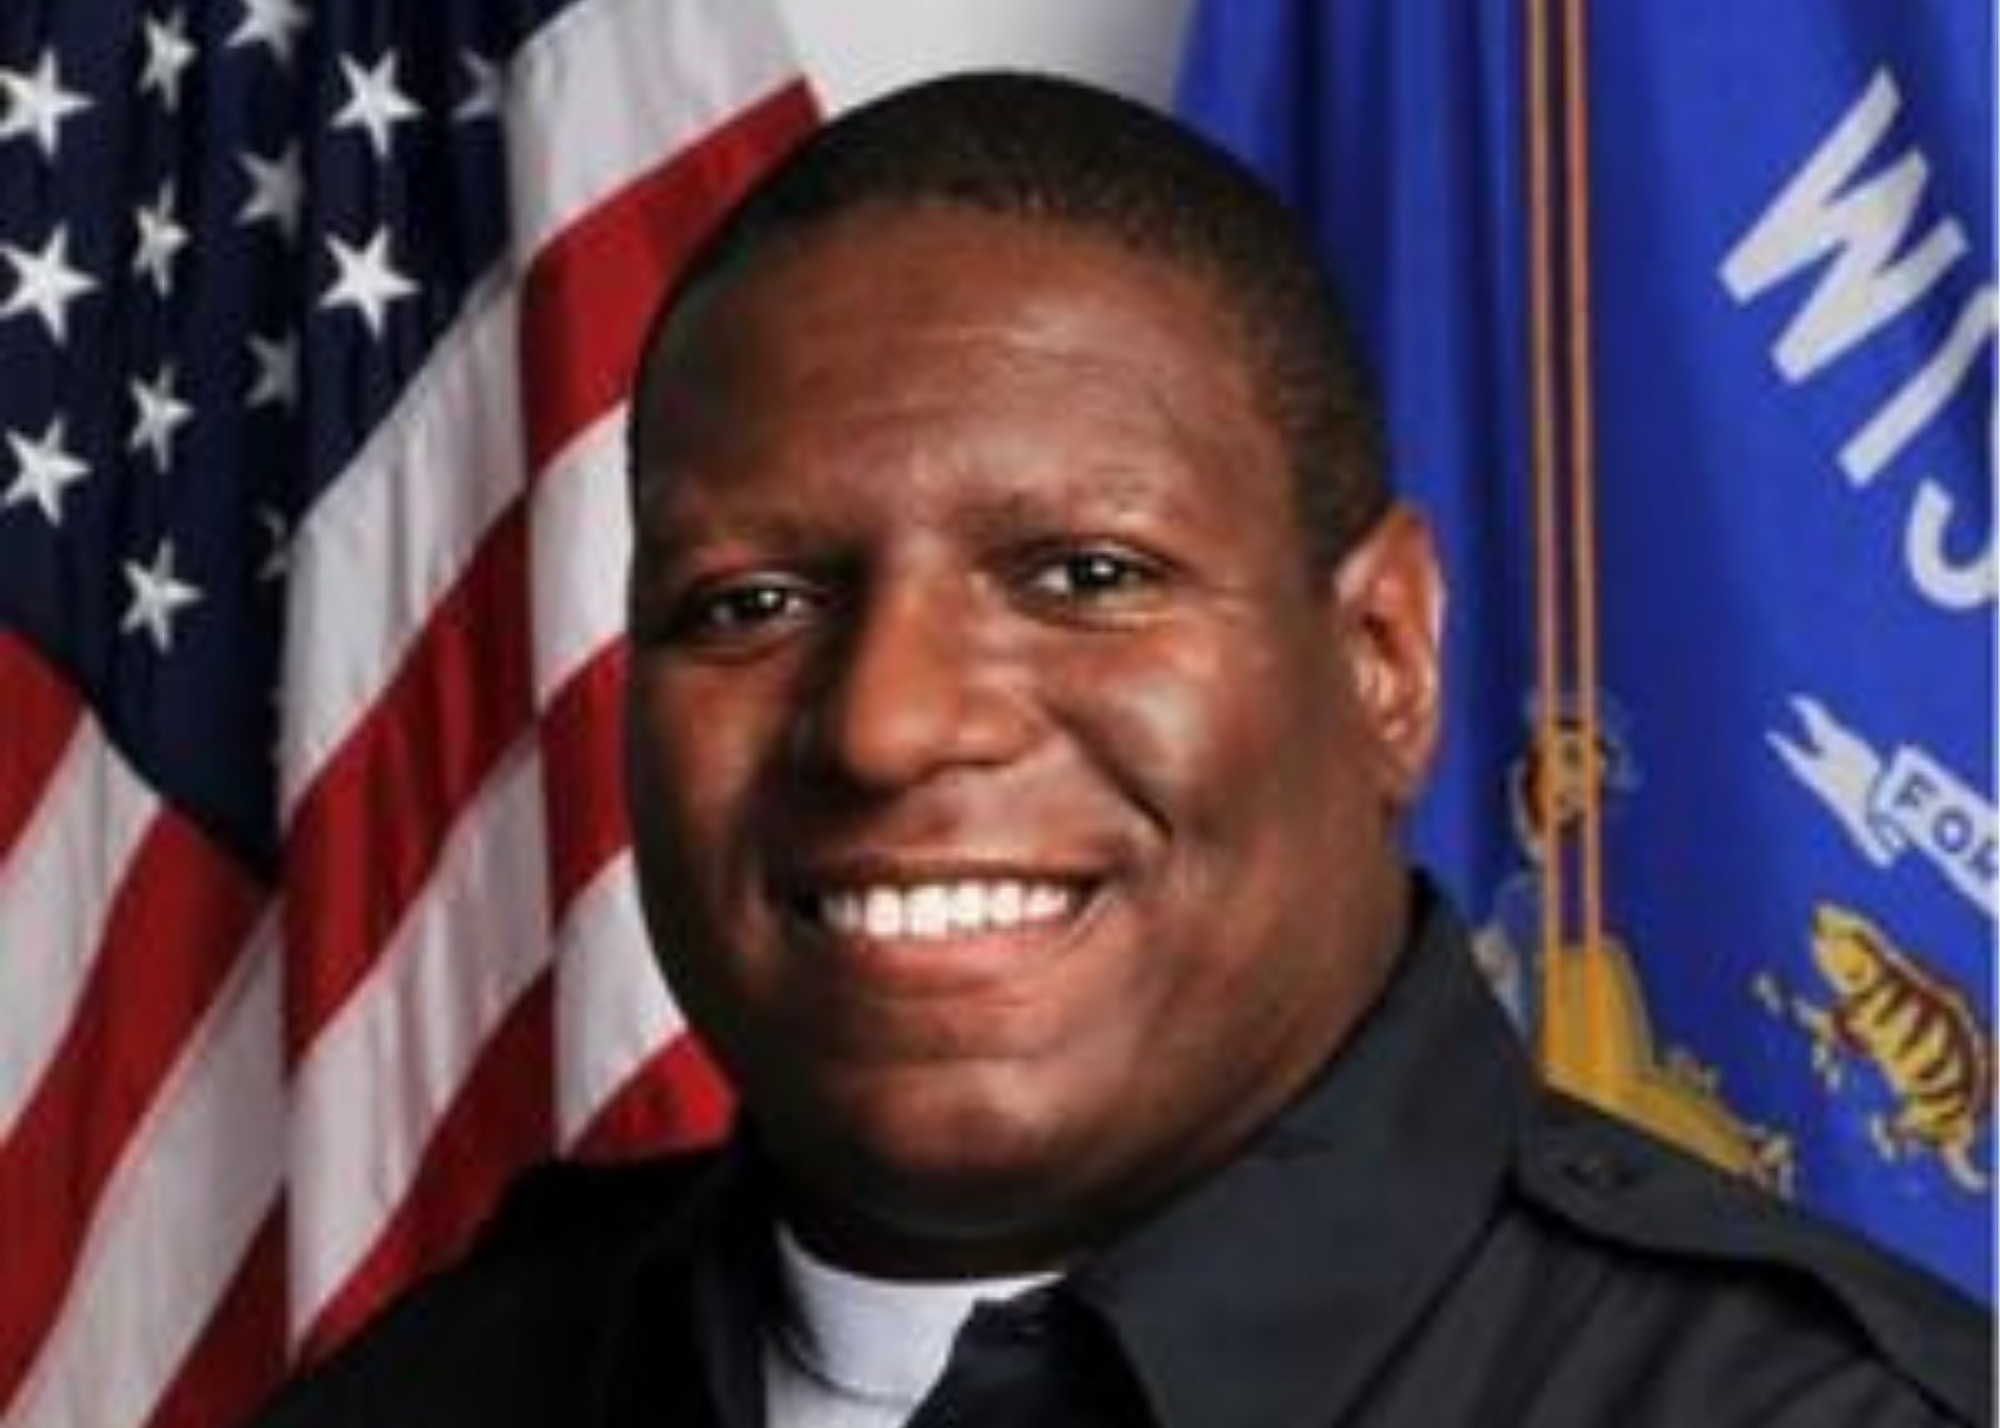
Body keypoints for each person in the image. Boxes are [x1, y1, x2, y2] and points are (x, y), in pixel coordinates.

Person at [246, 72, 1991, 1427]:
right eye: (750, 602)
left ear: (1382, 658)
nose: (887, 722)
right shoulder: (440, 1389)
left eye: (1085, 575)